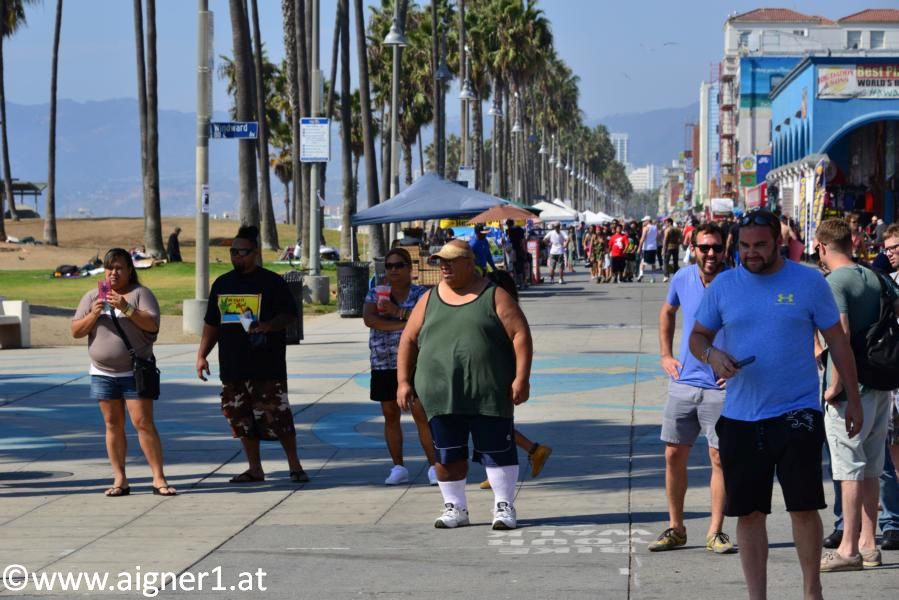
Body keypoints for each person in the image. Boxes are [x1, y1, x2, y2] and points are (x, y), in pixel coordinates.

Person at [688, 209, 862, 600]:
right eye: (745, 245)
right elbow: (698, 337)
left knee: (803, 508)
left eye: (760, 245)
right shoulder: (725, 285)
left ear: (779, 242)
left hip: (797, 414)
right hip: (741, 417)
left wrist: (852, 398)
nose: (751, 252)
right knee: (749, 513)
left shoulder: (808, 282)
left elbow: (838, 342)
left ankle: (811, 590)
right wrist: (713, 355)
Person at [397, 240, 533, 530]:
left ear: (469, 263)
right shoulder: (429, 298)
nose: (444, 267)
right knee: (447, 453)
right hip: (441, 394)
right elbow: (408, 339)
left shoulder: (494, 295)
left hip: (489, 392)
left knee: (497, 452)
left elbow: (520, 334)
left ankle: (504, 506)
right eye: (441, 262)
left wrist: (522, 378)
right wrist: (403, 382)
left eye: (451, 261)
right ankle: (455, 507)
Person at [196, 225, 309, 484]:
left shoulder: (272, 282)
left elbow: (289, 315)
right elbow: (212, 323)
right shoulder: (222, 284)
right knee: (241, 420)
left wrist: (268, 326)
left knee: (279, 417)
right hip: (233, 366)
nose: (237, 256)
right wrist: (202, 355)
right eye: (233, 252)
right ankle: (255, 468)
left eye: (242, 252)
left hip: (266, 365)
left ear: (255, 253)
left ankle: (295, 466)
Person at [814, 218, 894, 572]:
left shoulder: (835, 282)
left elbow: (840, 334)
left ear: (821, 247)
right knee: (872, 467)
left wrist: (836, 385)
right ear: (851, 243)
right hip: (880, 384)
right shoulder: (877, 277)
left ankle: (848, 548)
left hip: (851, 390)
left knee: (848, 469)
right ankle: (869, 543)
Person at [652, 222, 735, 554]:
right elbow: (667, 311)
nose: (711, 253)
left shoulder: (737, 281)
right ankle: (676, 527)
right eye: (704, 247)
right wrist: (665, 355)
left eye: (717, 247)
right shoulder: (682, 277)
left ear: (725, 249)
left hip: (721, 386)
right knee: (673, 454)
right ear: (693, 248)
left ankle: (716, 531)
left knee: (719, 457)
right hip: (684, 381)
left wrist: (738, 370)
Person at [71, 248, 175, 497]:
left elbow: (152, 326)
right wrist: (93, 314)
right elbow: (76, 331)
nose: (113, 273)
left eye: (119, 268)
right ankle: (120, 479)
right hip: (102, 373)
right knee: (112, 425)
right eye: (109, 268)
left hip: (134, 372)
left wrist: (127, 308)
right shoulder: (92, 296)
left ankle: (158, 478)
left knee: (143, 423)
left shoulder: (141, 294)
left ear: (130, 270)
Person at [363, 248, 438, 486]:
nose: (393, 270)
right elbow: (370, 319)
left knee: (420, 413)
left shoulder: (421, 294)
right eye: (389, 266)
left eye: (399, 265)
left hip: (416, 362)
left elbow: (426, 320)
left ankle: (434, 466)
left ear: (409, 268)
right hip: (383, 361)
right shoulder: (376, 293)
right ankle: (398, 467)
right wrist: (405, 325)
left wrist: (397, 312)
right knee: (390, 414)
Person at [504, 219, 528, 289]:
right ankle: (522, 284)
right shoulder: (519, 229)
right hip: (518, 250)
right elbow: (522, 240)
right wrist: (524, 250)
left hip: (512, 251)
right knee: (520, 267)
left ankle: (514, 284)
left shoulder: (508, 231)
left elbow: (506, 243)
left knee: (512, 268)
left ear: (507, 224)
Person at [637, 216, 658, 282]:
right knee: (653, 263)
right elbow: (656, 237)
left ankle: (641, 273)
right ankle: (653, 277)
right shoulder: (655, 227)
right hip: (653, 247)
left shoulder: (646, 228)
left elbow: (642, 238)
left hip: (647, 247)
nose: (643, 222)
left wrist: (639, 247)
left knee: (642, 262)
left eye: (644, 221)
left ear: (648, 221)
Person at [662, 218, 681, 282]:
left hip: (669, 247)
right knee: (675, 262)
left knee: (666, 262)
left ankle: (666, 276)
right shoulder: (677, 229)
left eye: (666, 223)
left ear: (670, 223)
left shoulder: (667, 230)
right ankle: (676, 275)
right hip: (676, 247)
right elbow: (681, 239)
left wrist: (663, 249)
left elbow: (665, 240)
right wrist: (677, 243)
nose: (665, 224)